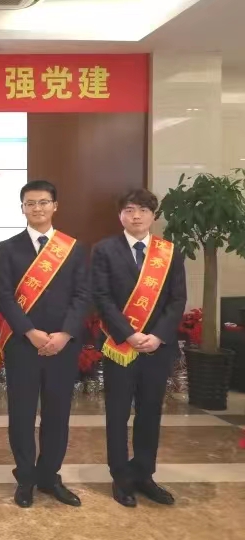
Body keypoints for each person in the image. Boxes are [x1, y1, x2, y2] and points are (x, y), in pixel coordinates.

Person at [0, 180, 90, 508]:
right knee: (21, 414)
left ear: (55, 206)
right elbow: (4, 296)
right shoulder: (8, 247)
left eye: (43, 202)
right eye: (30, 203)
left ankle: (50, 476)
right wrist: (29, 331)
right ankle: (25, 478)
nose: (37, 208)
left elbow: (82, 295)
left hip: (63, 346)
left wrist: (65, 333)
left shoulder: (73, 248)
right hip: (23, 345)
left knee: (57, 414)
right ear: (22, 208)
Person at [91, 188, 186, 507]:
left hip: (157, 348)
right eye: (130, 210)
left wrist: (157, 336)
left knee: (150, 412)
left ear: (153, 215)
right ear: (120, 215)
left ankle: (144, 474)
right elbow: (101, 297)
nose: (136, 216)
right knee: (117, 414)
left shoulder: (169, 252)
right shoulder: (104, 250)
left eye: (143, 210)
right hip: (121, 346)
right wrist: (129, 335)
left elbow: (177, 299)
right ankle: (120, 477)